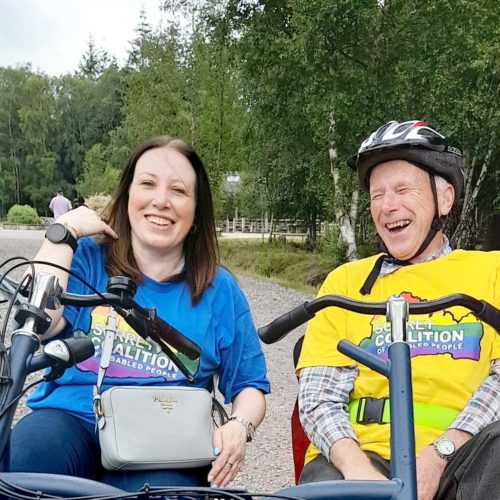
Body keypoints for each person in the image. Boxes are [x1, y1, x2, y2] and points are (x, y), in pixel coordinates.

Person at [10, 136, 270, 491]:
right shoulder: (85, 258)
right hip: (69, 418)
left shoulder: (219, 290)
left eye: (178, 191)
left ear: (196, 210)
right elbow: (37, 325)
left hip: (163, 439)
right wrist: (63, 234)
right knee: (28, 458)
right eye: (147, 184)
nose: (160, 201)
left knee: (166, 493)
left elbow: (250, 386)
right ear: (127, 195)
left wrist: (239, 427)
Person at [296, 120, 500, 500]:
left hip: (463, 458)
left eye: (403, 189)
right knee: (325, 487)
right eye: (377, 194)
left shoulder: (491, 273)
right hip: (361, 455)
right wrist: (357, 468)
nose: (388, 206)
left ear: (444, 199)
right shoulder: (345, 283)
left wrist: (442, 452)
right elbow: (318, 396)